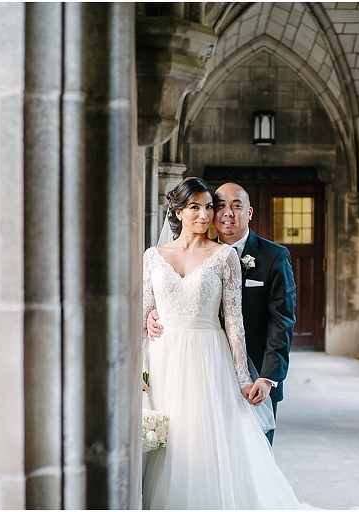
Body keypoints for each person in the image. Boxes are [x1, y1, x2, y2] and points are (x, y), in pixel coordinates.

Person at [141, 177, 302, 509]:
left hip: (211, 360)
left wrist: (250, 378)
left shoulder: (232, 256)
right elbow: (143, 313)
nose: (210, 215)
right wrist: (146, 333)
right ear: (178, 211)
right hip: (164, 360)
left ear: (249, 212)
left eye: (209, 207)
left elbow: (242, 323)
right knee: (169, 445)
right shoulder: (154, 257)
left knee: (215, 446)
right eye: (198, 207)